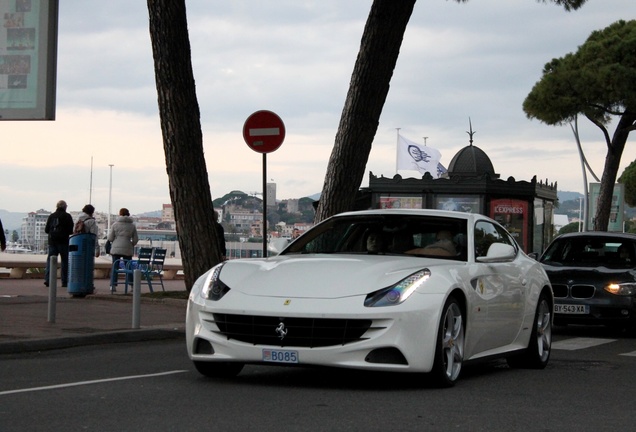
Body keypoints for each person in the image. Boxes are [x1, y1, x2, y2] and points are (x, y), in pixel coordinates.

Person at [44, 200, 74, 287]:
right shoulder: (67, 216)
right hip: (64, 242)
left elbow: (46, 230)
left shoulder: (51, 216)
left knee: (50, 261)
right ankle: (64, 281)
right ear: (65, 207)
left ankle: (48, 279)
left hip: (52, 242)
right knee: (65, 262)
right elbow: (70, 230)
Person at [108, 208, 139, 292]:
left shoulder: (115, 224)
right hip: (127, 248)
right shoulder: (132, 225)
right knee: (128, 266)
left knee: (115, 266)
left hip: (116, 247)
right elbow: (136, 239)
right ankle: (132, 285)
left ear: (120, 214)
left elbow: (110, 238)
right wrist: (131, 244)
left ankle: (113, 285)